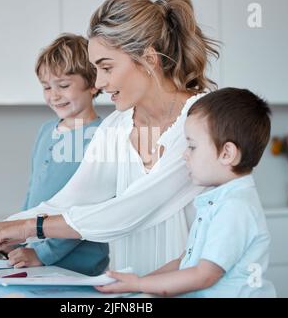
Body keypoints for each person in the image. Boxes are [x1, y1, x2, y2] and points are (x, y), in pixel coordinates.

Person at [0, 0, 219, 276]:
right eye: (95, 70)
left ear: (148, 59)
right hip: (133, 288)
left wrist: (28, 228)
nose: (99, 83)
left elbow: (128, 212)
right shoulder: (116, 128)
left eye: (106, 67)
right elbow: (69, 202)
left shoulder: (205, 119)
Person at [0, 33, 110, 276]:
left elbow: (90, 212)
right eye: (46, 87)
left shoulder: (103, 136)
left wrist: (42, 253)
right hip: (36, 261)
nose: (53, 95)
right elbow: (32, 198)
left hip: (78, 268)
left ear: (93, 84)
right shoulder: (46, 131)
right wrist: (10, 239)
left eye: (64, 85)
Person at [95, 88, 276, 297]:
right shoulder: (218, 201)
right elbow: (184, 262)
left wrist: (138, 284)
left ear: (226, 153)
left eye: (192, 146)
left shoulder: (234, 208)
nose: (185, 155)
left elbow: (203, 275)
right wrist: (138, 285)